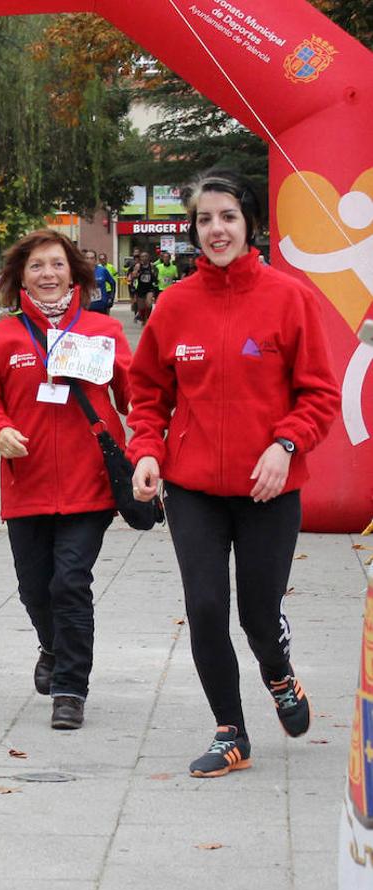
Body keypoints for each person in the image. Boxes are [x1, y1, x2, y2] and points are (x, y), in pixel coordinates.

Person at [128, 170, 340, 777]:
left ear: (249, 224)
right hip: (193, 489)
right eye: (204, 219)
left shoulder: (289, 299)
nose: (215, 229)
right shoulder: (175, 304)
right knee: (204, 607)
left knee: (258, 615)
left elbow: (319, 394)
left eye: (227, 217)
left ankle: (279, 673)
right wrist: (147, 451)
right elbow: (149, 394)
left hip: (268, 489)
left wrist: (286, 445)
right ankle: (231, 732)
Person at [0, 229, 131, 730]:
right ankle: (52, 646)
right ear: (21, 277)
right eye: (36, 266)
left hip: (90, 484)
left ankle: (70, 689)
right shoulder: (3, 337)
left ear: (74, 272)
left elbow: (140, 396)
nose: (48, 274)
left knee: (71, 582)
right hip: (26, 485)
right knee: (36, 588)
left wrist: (148, 450)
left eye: (57, 263)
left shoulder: (104, 331)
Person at [129, 250, 158, 324]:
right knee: (141, 307)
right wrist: (136, 274)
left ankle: (148, 318)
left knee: (149, 303)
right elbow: (133, 276)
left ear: (148, 257)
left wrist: (154, 275)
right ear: (140, 258)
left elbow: (156, 274)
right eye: (142, 257)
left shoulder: (152, 265)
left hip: (149, 287)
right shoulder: (138, 266)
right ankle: (143, 319)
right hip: (141, 287)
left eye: (146, 256)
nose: (144, 258)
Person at [84, 249, 116, 314]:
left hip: (101, 307)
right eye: (87, 258)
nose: (89, 260)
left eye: (91, 258)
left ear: (95, 260)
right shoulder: (81, 272)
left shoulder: (102, 270)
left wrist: (111, 298)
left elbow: (113, 283)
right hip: (87, 307)